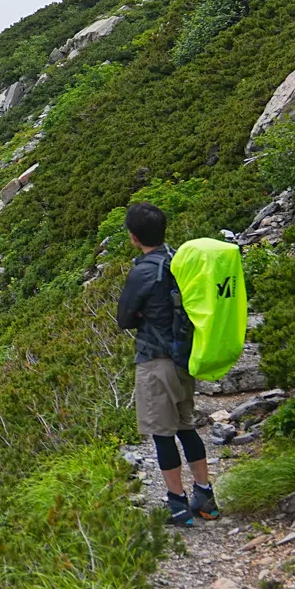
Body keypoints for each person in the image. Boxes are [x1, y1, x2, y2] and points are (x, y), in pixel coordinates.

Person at [115, 201, 218, 526]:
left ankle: (177, 505)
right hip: (184, 358)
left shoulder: (143, 271)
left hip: (154, 361)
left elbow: (123, 319)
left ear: (133, 237)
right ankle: (205, 497)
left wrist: (144, 312)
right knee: (187, 428)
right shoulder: (180, 261)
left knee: (162, 435)